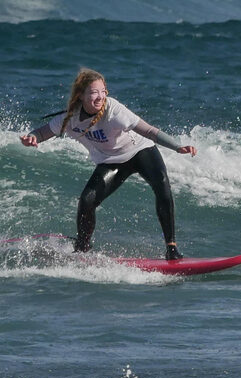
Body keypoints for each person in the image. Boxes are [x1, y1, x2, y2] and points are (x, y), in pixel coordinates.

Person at [19, 68, 196, 259]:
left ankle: (171, 247)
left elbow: (149, 131)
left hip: (140, 151)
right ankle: (82, 248)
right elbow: (43, 132)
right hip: (112, 161)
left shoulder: (114, 110)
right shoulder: (70, 118)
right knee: (87, 200)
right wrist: (31, 138)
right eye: (94, 92)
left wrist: (177, 147)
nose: (100, 96)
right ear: (81, 95)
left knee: (162, 184)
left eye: (103, 91)